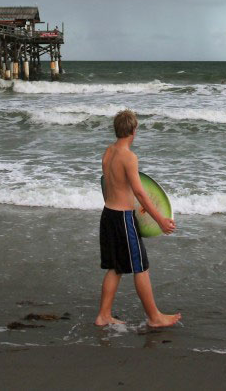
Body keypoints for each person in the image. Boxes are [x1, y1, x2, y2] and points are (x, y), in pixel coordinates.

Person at [96, 109, 180, 328]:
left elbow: (108, 185)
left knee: (116, 267)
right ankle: (154, 317)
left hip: (108, 215)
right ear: (133, 131)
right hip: (124, 219)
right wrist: (161, 220)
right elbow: (140, 193)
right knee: (140, 266)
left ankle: (103, 315)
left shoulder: (108, 152)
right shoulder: (129, 157)